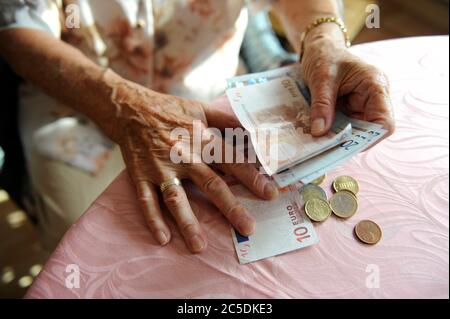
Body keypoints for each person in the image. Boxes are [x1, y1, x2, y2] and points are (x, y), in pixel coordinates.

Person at [0, 0, 395, 253]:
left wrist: (324, 40)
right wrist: (127, 107)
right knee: (101, 246)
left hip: (211, 98)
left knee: (246, 232)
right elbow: (17, 30)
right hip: (77, 106)